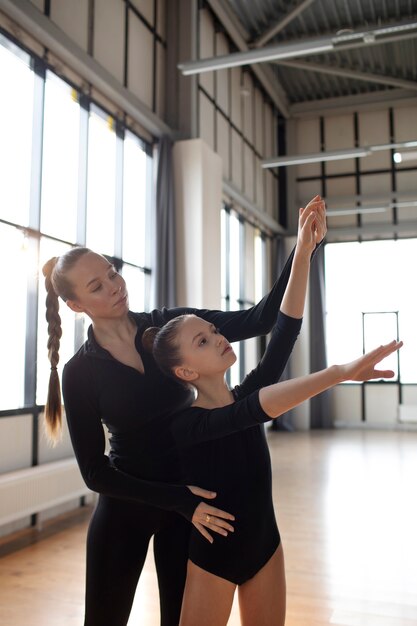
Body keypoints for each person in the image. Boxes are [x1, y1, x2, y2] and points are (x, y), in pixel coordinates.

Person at [42, 195, 326, 626]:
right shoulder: (80, 372)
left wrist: (303, 245)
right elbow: (95, 472)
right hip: (129, 509)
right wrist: (177, 500)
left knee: (178, 619)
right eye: (96, 286)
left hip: (194, 505)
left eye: (112, 273)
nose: (114, 285)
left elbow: (260, 320)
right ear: (76, 305)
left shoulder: (169, 329)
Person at [142, 216, 402, 624]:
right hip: (215, 556)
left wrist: (303, 249)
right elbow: (253, 411)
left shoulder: (244, 394)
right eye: (203, 341)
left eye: (213, 330)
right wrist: (337, 373)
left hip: (266, 546)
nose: (219, 337)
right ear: (186, 372)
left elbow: (284, 331)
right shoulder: (187, 426)